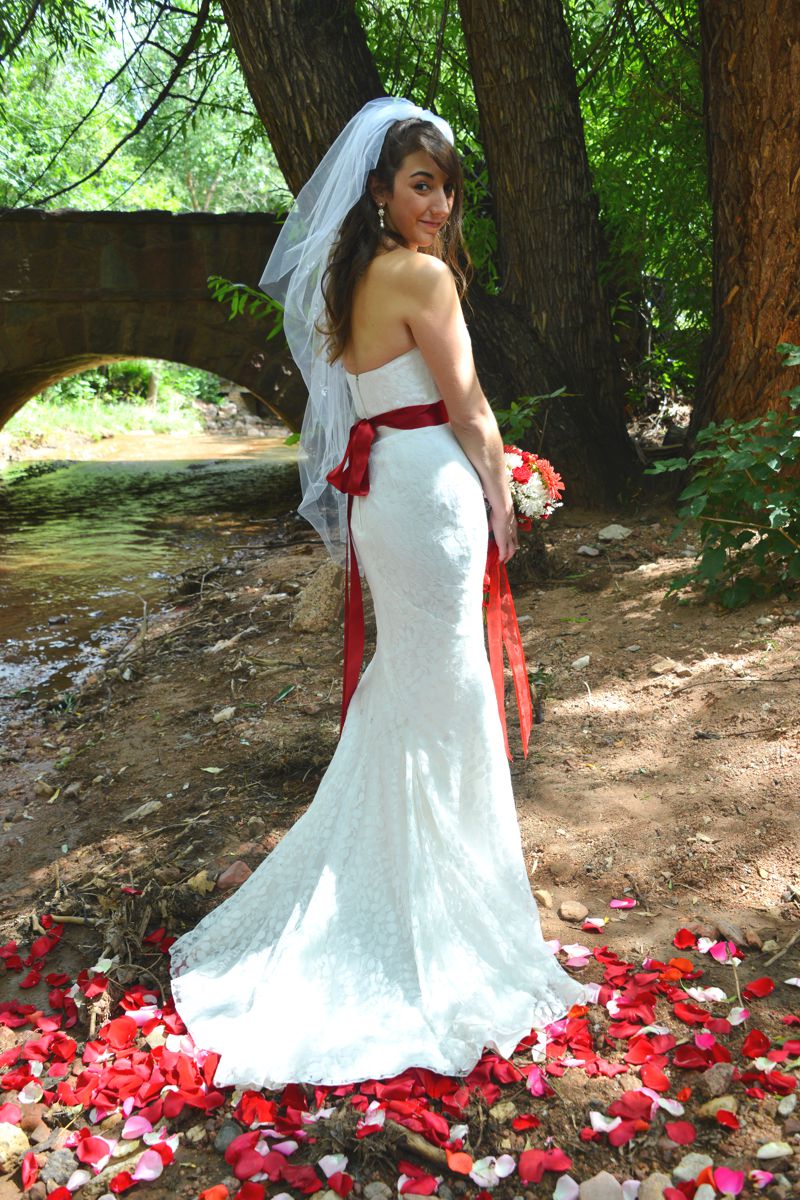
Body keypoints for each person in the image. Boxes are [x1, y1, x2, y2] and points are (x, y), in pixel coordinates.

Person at [168, 97, 590, 1090]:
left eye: (445, 186)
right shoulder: (420, 275)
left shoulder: (350, 275)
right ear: (378, 190)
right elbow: (470, 408)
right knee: (444, 700)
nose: (438, 203)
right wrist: (503, 499)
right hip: (427, 492)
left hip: (381, 497)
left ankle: (403, 887)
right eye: (419, 184)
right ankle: (437, 916)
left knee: (411, 691)